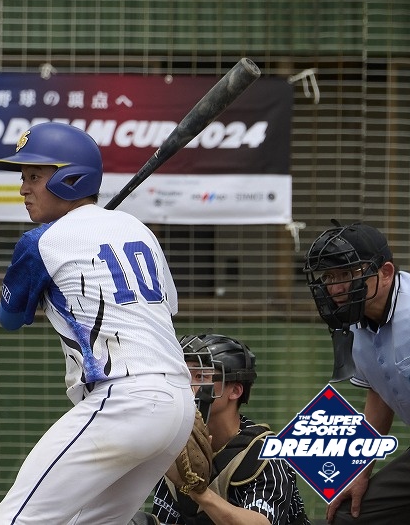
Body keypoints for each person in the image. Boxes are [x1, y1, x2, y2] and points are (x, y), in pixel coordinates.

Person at [0, 121, 195, 524]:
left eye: (34, 177)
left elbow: (8, 319)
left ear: (70, 179)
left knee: (13, 520)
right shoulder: (137, 229)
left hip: (124, 401)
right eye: (23, 178)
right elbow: (167, 307)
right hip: (178, 404)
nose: (23, 189)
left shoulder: (41, 242)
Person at [134, 333, 311, 525]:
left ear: (235, 391)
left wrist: (199, 493)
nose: (186, 386)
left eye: (200, 376)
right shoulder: (176, 442)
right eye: (184, 376)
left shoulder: (264, 452)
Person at [303, 220, 410, 524]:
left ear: (385, 273)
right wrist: (360, 471)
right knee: (347, 516)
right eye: (329, 276)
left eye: (348, 274)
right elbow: (379, 392)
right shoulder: (354, 320)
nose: (335, 288)